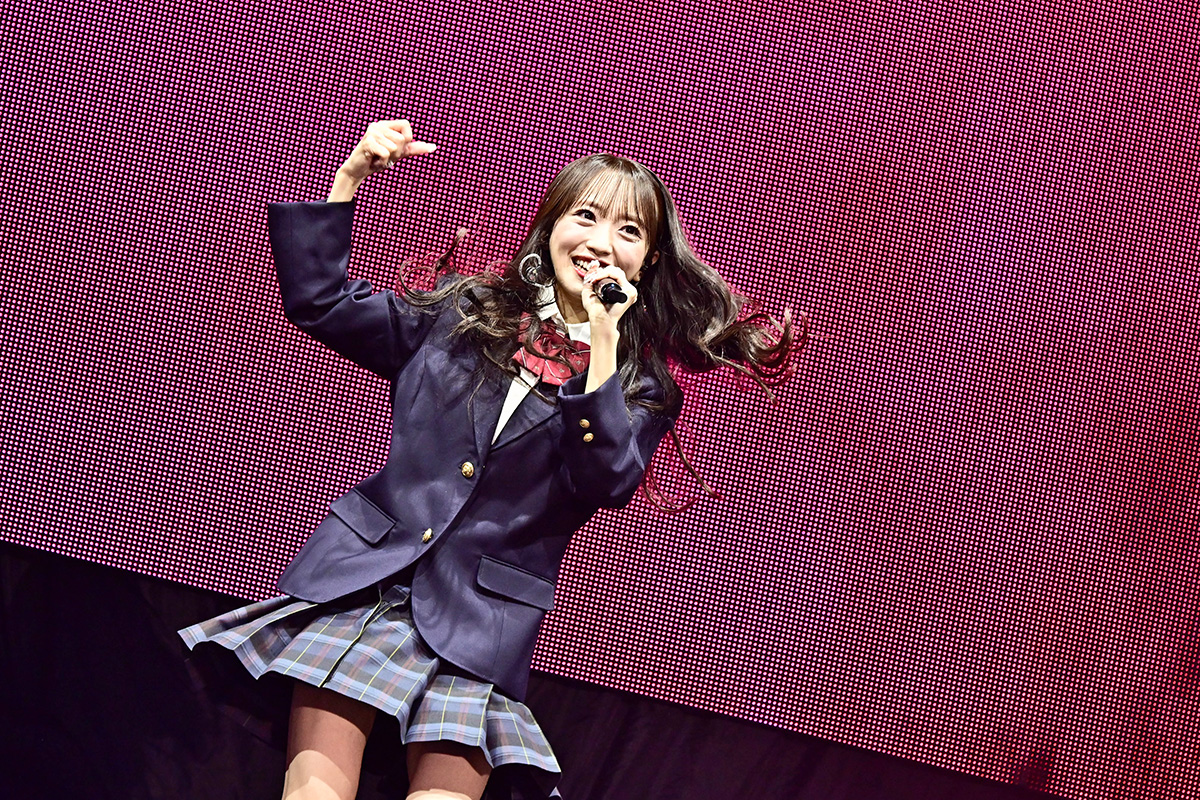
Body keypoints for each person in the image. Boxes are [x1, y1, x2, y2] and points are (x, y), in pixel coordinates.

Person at [179, 119, 802, 800]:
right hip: (364, 582)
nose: (601, 242)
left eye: (628, 231)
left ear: (648, 260)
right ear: (551, 225)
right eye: (586, 217)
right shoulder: (465, 313)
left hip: (477, 624)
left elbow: (604, 480)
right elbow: (321, 301)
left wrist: (603, 342)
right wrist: (350, 177)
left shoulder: (640, 389)